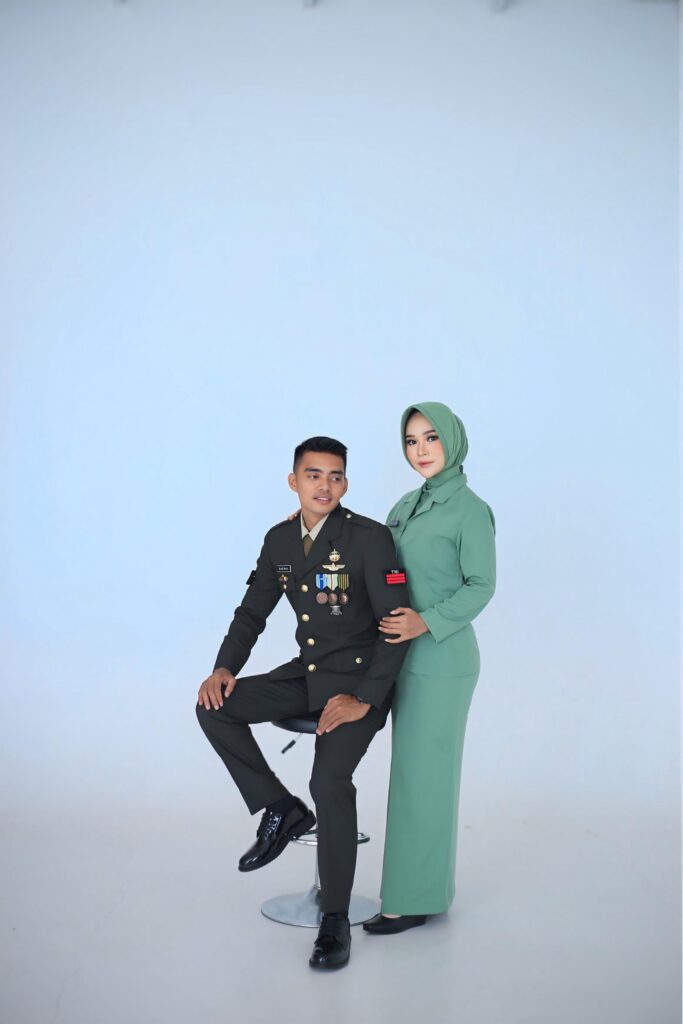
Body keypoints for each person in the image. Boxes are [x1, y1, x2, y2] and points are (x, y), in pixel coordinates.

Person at [195, 436, 410, 969]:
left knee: (328, 781)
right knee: (214, 706)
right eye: (314, 475)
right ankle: (280, 809)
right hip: (307, 674)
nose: (325, 485)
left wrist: (363, 699)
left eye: (336, 476)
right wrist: (224, 667)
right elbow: (252, 612)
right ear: (294, 481)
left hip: (359, 683)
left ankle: (335, 919)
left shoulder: (370, 539)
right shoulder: (279, 541)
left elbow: (395, 629)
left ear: (346, 483)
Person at [362, 401, 496, 934]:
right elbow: (374, 559)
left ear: (453, 440)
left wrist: (427, 621)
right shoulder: (406, 504)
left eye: (431, 438)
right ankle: (417, 891)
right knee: (409, 776)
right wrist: (313, 524)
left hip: (442, 662)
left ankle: (412, 900)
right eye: (411, 440)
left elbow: (481, 585)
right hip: (398, 657)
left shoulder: (470, 510)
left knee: (424, 779)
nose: (420, 450)